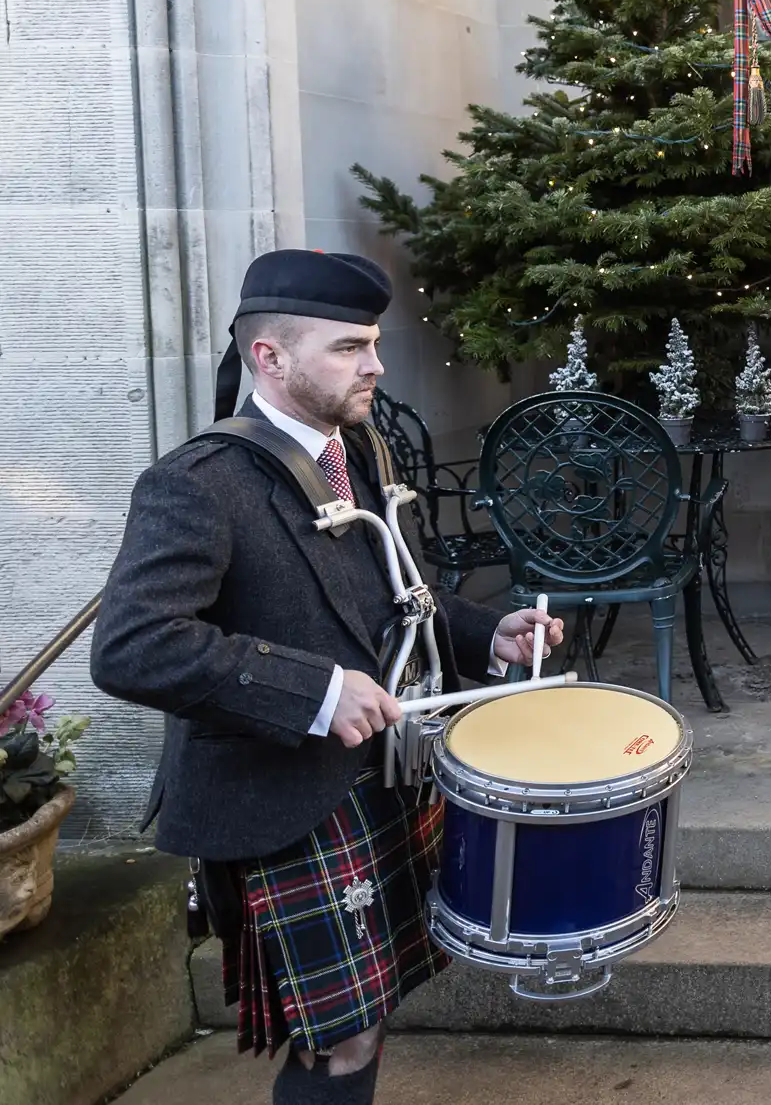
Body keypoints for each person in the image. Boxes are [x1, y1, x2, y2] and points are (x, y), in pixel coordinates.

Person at [91, 249, 563, 1104]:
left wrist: (487, 632)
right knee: (338, 1038)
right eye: (349, 346)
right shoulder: (200, 483)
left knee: (369, 1015)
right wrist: (312, 690)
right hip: (283, 797)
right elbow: (132, 645)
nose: (376, 363)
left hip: (379, 773)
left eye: (373, 343)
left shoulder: (365, 448)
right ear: (269, 357)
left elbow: (399, 595)